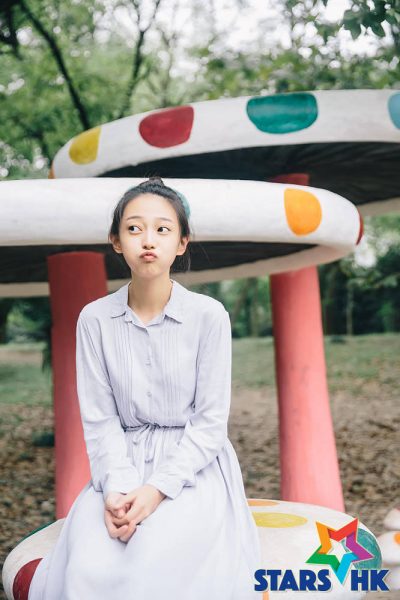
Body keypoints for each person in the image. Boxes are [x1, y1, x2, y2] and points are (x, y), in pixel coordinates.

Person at [28, 177, 262, 599]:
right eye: (134, 228)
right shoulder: (95, 319)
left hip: (193, 468)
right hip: (120, 463)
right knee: (87, 566)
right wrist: (116, 490)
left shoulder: (209, 316)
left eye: (162, 229)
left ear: (182, 242)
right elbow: (99, 419)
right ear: (116, 241)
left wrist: (156, 490)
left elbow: (210, 424)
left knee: (157, 562)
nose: (148, 240)